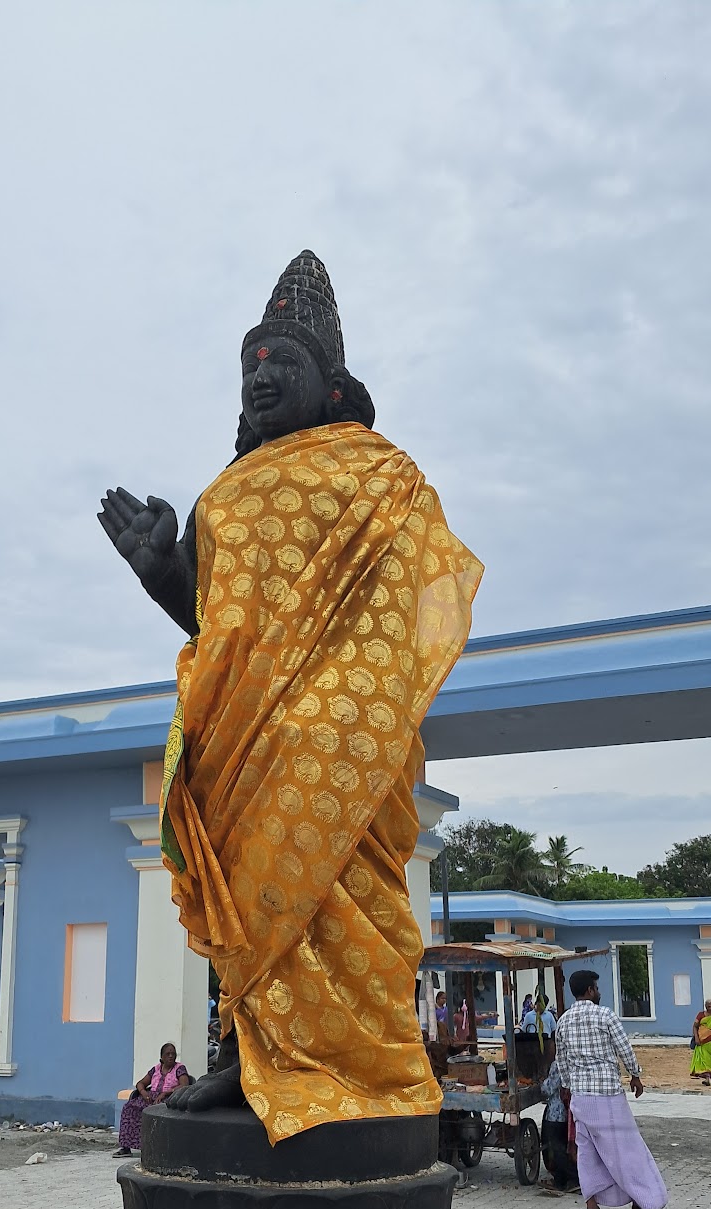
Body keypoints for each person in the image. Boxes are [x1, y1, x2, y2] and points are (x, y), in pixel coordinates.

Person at [99, 250, 482, 1143]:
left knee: (345, 892)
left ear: (332, 386)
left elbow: (414, 595)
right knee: (254, 900)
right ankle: (249, 1062)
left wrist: (346, 706)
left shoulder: (380, 478)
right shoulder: (224, 497)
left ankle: (369, 1067)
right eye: (251, 367)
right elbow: (219, 626)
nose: (263, 378)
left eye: (285, 364)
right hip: (245, 744)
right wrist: (164, 575)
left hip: (343, 734)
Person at [555, 969, 668, 1209]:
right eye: (596, 987)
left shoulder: (563, 1020)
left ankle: (592, 1208)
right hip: (607, 1094)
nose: (598, 991)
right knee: (626, 1149)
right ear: (589, 991)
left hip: (581, 1096)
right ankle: (642, 1202)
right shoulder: (605, 1016)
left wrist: (568, 1086)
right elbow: (624, 1049)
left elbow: (561, 1060)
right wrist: (635, 1075)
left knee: (588, 1152)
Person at [113, 1043, 191, 1157]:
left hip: (169, 1098)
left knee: (157, 1111)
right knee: (129, 1108)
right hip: (150, 1097)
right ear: (162, 1057)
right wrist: (143, 1092)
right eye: (167, 1054)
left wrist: (165, 1092)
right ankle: (126, 1147)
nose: (170, 1056)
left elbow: (184, 1085)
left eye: (173, 1054)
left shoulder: (179, 1068)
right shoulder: (155, 1069)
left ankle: (156, 1147)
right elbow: (141, 1083)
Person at [538, 1056, 578, 1190]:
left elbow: (549, 1088)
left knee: (557, 1148)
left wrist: (542, 1084)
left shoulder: (558, 1064)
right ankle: (561, 1180)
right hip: (571, 1112)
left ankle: (572, 1179)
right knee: (565, 1147)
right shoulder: (576, 1061)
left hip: (557, 1112)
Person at [690, 999, 711, 1084]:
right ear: (705, 1006)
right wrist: (696, 1038)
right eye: (708, 1006)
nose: (710, 1008)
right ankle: (707, 1077)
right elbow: (695, 1026)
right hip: (702, 1042)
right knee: (705, 1059)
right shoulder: (700, 1015)